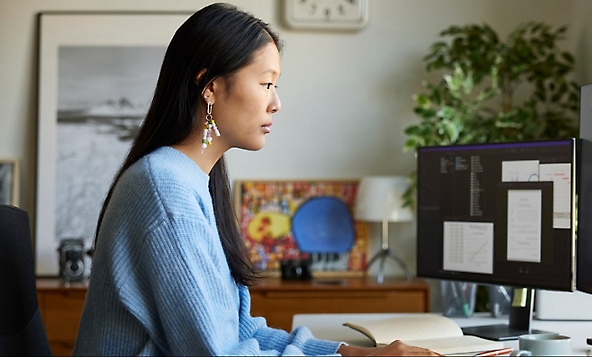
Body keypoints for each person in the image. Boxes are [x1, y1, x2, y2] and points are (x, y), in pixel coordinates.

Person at [72, 3, 438, 356]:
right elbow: (221, 354)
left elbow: (241, 332)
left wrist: (353, 354)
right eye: (266, 84)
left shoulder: (191, 180)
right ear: (209, 86)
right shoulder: (165, 190)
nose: (276, 102)